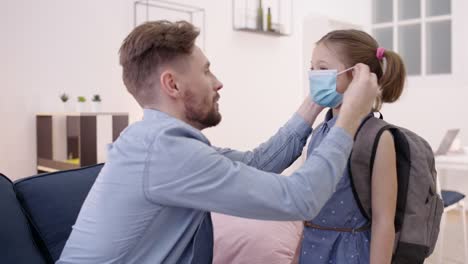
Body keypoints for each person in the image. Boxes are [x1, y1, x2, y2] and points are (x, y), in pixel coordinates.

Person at [57, 21, 379, 264]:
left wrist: (315, 102)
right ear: (172, 84)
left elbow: (258, 163)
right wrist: (349, 117)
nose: (218, 82)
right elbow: (300, 198)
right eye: (207, 71)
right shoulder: (167, 154)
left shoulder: (160, 142)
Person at [294, 29, 406, 264]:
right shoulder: (319, 132)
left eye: (323, 69)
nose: (314, 75)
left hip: (349, 253)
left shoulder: (377, 137)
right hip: (311, 249)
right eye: (312, 68)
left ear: (356, 75)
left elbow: (384, 221)